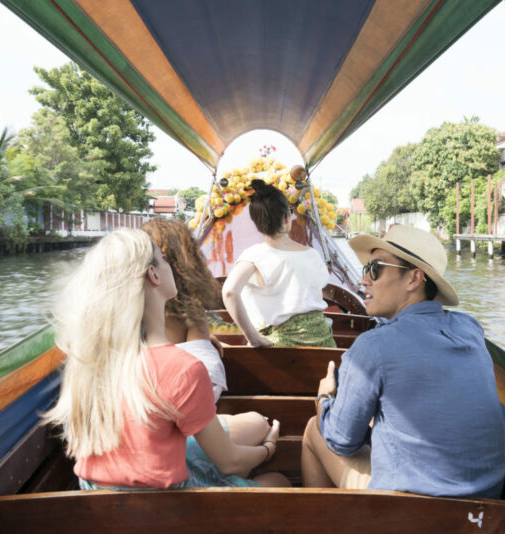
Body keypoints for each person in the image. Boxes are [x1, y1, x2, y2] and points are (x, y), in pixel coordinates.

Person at [43, 229, 288, 490]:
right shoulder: (183, 368)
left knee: (246, 432)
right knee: (279, 481)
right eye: (163, 258)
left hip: (102, 500)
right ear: (153, 274)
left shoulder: (87, 359)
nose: (170, 265)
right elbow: (231, 462)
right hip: (165, 510)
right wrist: (269, 448)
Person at [300, 225, 505, 498]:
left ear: (413, 279)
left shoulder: (373, 346)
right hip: (488, 501)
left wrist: (324, 399)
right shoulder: (470, 328)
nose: (365, 281)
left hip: (414, 511)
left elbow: (341, 441)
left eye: (375, 269)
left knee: (314, 430)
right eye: (366, 270)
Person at [142, 218, 274, 445]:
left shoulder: (126, 321)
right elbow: (204, 390)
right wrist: (269, 449)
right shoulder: (190, 317)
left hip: (150, 433)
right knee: (260, 426)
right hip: (174, 433)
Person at [222, 178, 336, 348]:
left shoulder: (254, 255)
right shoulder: (313, 254)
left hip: (281, 350)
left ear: (256, 223)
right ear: (287, 217)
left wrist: (253, 338)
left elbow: (230, 292)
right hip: (324, 345)